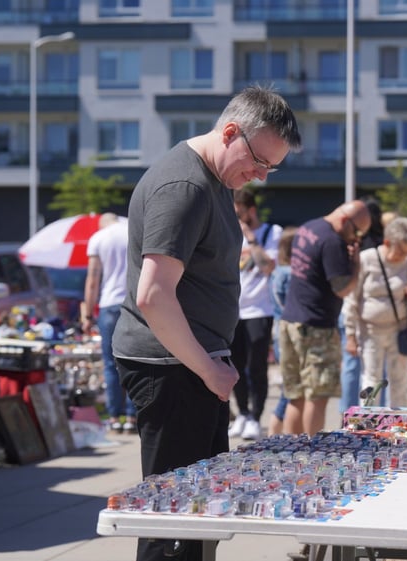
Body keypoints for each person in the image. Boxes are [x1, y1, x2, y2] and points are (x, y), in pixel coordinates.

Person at [112, 86, 301, 561]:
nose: (258, 176)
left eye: (270, 169)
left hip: (189, 366)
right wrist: (209, 369)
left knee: (198, 515)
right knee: (173, 521)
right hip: (172, 369)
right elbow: (153, 296)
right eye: (258, 161)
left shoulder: (211, 180)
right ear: (231, 132)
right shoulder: (187, 186)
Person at [279, 200, 371, 436]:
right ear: (344, 220)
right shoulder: (333, 241)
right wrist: (356, 264)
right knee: (317, 396)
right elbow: (343, 289)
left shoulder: (309, 227)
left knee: (295, 396)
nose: (356, 238)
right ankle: (312, 453)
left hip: (290, 320)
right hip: (316, 326)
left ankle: (290, 451)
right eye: (357, 232)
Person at [343, 217, 407, 408]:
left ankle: (399, 424)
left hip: (400, 328)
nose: (405, 256)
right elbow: (352, 299)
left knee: (399, 380)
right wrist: (350, 334)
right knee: (372, 378)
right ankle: (368, 424)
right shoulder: (367, 259)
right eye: (401, 251)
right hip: (370, 330)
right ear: (387, 243)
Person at [227, 189, 282, 441]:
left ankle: (255, 417)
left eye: (239, 213)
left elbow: (268, 266)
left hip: (259, 310)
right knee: (234, 367)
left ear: (250, 211)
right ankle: (242, 412)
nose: (235, 217)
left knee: (255, 367)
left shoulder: (272, 232)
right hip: (232, 311)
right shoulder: (229, 233)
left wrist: (250, 238)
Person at [82, 213, 135, 434]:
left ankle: (114, 416)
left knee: (110, 364)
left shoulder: (98, 238)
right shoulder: (132, 230)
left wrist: (87, 312)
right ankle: (133, 416)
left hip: (109, 304)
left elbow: (93, 278)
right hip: (133, 303)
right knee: (135, 361)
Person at [338, 196, 385, 413]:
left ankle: (348, 414)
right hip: (374, 314)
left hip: (349, 308)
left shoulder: (350, 242)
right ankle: (376, 413)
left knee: (351, 366)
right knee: (375, 369)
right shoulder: (382, 245)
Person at [266, 225, 297, 436]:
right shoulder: (288, 273)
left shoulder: (277, 272)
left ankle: (276, 436)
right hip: (289, 336)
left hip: (279, 333)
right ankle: (274, 437)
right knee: (290, 391)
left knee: (290, 389)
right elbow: (290, 306)